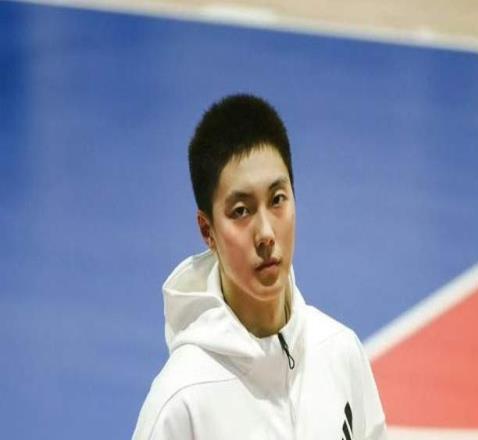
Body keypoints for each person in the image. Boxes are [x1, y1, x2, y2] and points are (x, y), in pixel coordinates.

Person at [132, 94, 387, 439]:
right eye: (241, 211)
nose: (266, 233)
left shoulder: (340, 352)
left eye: (277, 199)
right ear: (207, 231)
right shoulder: (181, 403)